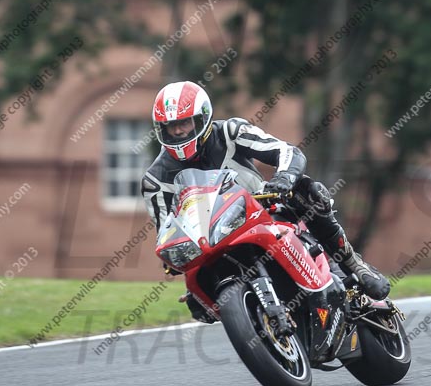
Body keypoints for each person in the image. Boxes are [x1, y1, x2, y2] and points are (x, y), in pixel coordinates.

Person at [141, 81, 390, 322]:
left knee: (307, 190)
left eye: (183, 122)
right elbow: (166, 229)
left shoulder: (230, 132)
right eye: (170, 126)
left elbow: (286, 151)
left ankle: (354, 264)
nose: (177, 131)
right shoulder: (155, 179)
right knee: (198, 302)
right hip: (212, 241)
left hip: (265, 210)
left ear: (202, 119)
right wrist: (173, 260)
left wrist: (284, 177)